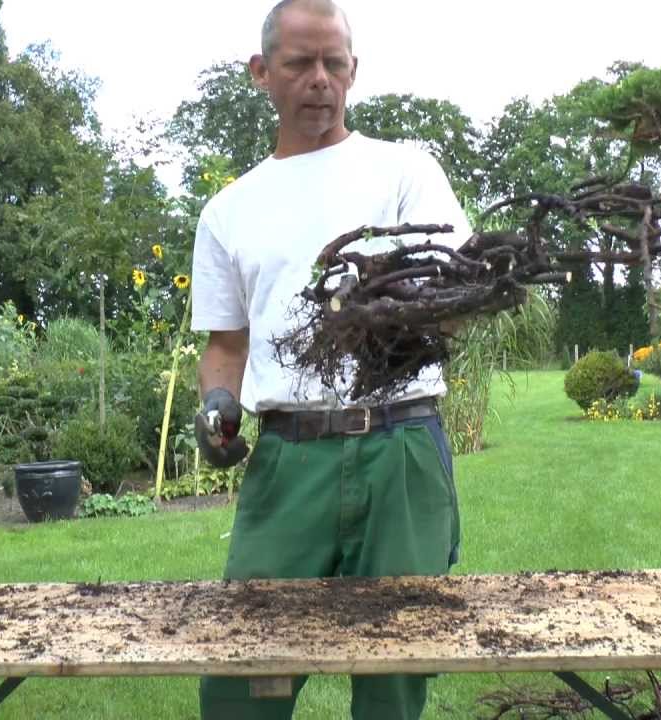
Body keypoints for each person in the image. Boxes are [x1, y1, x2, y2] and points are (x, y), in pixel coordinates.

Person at [189, 1, 471, 717]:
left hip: (400, 445)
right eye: (300, 63)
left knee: (396, 673)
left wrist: (392, 301)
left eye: (333, 64)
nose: (319, 80)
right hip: (291, 458)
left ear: (353, 72)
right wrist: (217, 405)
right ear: (261, 73)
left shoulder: (404, 170)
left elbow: (454, 286)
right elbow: (226, 345)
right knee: (245, 671)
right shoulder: (230, 210)